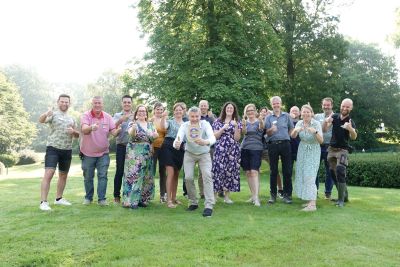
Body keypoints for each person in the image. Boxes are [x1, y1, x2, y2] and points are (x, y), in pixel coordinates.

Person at [38, 94, 79, 211]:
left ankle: (58, 199)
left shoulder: (72, 118)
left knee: (63, 175)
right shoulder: (53, 114)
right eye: (62, 101)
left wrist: (73, 132)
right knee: (49, 173)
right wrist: (46, 113)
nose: (64, 104)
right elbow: (41, 120)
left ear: (69, 104)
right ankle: (43, 202)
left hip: (67, 150)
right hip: (53, 148)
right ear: (58, 102)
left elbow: (77, 135)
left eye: (67, 102)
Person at [173, 106, 216, 217]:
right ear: (188, 116)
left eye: (197, 116)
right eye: (192, 116)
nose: (195, 118)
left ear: (200, 116)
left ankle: (209, 205)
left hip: (204, 154)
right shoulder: (184, 126)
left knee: (207, 175)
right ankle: (193, 202)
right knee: (188, 178)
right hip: (189, 154)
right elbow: (178, 138)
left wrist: (205, 141)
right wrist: (176, 144)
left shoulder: (205, 124)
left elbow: (213, 138)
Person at [80, 96, 119, 206]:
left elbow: (113, 132)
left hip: (103, 153)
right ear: (92, 104)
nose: (97, 105)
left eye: (99, 103)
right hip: (88, 153)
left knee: (102, 176)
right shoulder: (86, 115)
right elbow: (84, 129)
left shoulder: (107, 117)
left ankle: (102, 199)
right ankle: (88, 198)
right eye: (95, 103)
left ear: (102, 104)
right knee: (88, 176)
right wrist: (91, 127)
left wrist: (118, 131)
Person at [122, 105, 158, 209]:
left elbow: (155, 135)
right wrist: (133, 128)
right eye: (140, 111)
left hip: (147, 153)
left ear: (146, 113)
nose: (142, 113)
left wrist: (155, 135)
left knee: (146, 176)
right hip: (134, 154)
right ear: (136, 113)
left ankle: (142, 199)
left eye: (144, 111)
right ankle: (131, 201)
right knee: (134, 175)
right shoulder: (132, 124)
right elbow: (131, 135)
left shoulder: (151, 124)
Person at [323, 98, 357, 207]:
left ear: (351, 108)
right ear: (340, 105)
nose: (345, 108)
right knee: (333, 173)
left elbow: (354, 137)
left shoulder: (351, 121)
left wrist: (350, 129)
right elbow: (324, 130)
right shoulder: (334, 117)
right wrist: (326, 122)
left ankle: (341, 200)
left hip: (343, 150)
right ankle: (344, 196)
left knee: (340, 170)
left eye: (347, 106)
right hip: (331, 150)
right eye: (343, 106)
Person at [291, 104, 323, 211]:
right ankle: (309, 200)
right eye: (304, 112)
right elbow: (293, 136)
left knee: (310, 175)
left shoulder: (316, 123)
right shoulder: (299, 123)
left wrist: (315, 132)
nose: (306, 114)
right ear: (301, 113)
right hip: (302, 150)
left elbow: (321, 141)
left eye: (308, 112)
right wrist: (296, 130)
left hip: (313, 150)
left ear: (312, 113)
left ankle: (312, 204)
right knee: (303, 174)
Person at [265, 96, 294, 204]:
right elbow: (266, 133)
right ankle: (273, 195)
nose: (276, 105)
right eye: (274, 104)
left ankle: (287, 195)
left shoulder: (286, 116)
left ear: (281, 104)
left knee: (287, 171)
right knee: (273, 171)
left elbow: (291, 128)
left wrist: (289, 135)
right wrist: (271, 130)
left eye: (277, 103)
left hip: (285, 144)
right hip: (272, 145)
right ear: (271, 105)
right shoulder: (268, 118)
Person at [212, 102, 242, 204]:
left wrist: (236, 127)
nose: (229, 109)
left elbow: (237, 138)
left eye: (231, 108)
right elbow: (215, 136)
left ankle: (227, 197)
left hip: (233, 150)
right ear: (224, 109)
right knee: (218, 171)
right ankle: (214, 196)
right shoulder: (217, 121)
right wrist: (222, 128)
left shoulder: (238, 121)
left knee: (230, 172)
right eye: (228, 108)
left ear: (234, 110)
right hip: (220, 149)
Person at [160, 103, 185, 208]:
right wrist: (163, 117)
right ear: (174, 111)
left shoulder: (186, 124)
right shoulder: (169, 121)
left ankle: (174, 198)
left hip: (180, 149)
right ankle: (169, 200)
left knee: (176, 174)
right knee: (170, 172)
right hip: (168, 147)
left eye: (180, 110)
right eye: (176, 110)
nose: (178, 111)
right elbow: (163, 126)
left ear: (183, 111)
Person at [240, 104, 264, 207]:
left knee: (254, 172)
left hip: (256, 149)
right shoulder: (244, 122)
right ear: (246, 112)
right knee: (248, 173)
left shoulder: (259, 121)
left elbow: (261, 129)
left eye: (251, 110)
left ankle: (256, 198)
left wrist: (261, 120)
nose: (250, 112)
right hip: (245, 148)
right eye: (248, 111)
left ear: (255, 111)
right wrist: (244, 125)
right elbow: (244, 133)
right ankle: (253, 196)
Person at [112, 95, 134, 204]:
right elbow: (111, 127)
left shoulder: (135, 115)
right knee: (120, 171)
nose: (127, 104)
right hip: (121, 146)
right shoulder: (117, 115)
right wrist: (121, 119)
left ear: (131, 103)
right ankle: (116, 196)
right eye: (125, 102)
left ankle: (129, 196)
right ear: (122, 103)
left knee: (131, 172)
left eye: (128, 102)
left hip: (133, 147)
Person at [260, 107, 284, 198]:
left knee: (274, 169)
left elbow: (267, 135)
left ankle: (280, 189)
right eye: (262, 112)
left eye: (265, 112)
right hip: (257, 147)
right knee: (254, 170)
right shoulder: (256, 121)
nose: (264, 113)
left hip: (267, 148)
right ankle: (255, 193)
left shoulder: (270, 122)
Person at [314, 97, 335, 199]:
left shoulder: (336, 116)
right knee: (315, 170)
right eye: (324, 105)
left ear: (332, 105)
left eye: (328, 105)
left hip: (330, 147)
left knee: (330, 171)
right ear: (322, 105)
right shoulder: (317, 116)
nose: (326, 107)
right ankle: (314, 191)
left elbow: (325, 130)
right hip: (317, 146)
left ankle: (328, 193)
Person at [198, 99, 216, 199]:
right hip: (199, 148)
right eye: (201, 105)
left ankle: (211, 191)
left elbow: (216, 130)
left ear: (208, 107)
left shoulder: (212, 118)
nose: (203, 107)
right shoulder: (196, 117)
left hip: (211, 147)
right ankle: (202, 193)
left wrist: (212, 116)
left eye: (205, 105)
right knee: (201, 172)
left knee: (210, 171)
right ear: (199, 107)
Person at [151, 102, 167, 203]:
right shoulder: (150, 120)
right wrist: (151, 146)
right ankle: (149, 194)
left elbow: (167, 133)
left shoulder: (165, 120)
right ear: (154, 110)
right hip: (153, 148)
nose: (159, 111)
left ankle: (163, 195)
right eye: (157, 109)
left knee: (162, 172)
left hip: (163, 148)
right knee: (151, 171)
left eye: (161, 109)